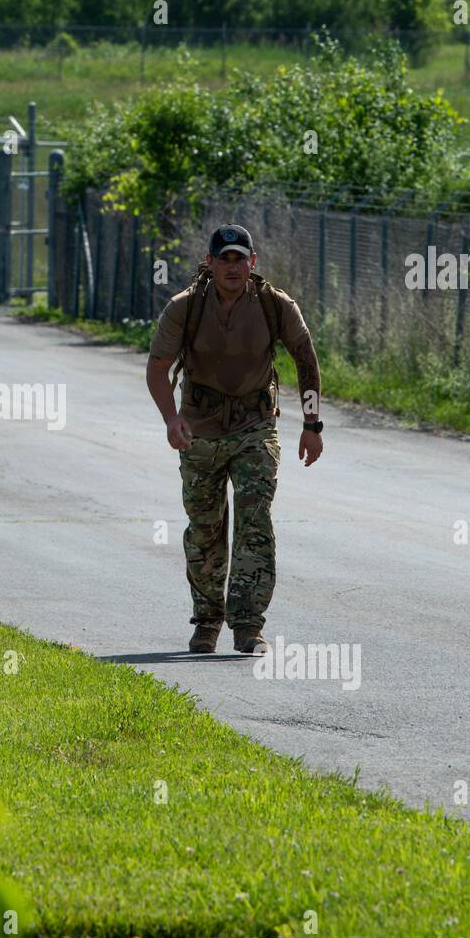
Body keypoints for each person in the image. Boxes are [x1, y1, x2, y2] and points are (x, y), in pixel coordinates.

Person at [145, 224, 324, 655]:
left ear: (252, 262)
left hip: (254, 427)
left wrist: (312, 425)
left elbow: (306, 359)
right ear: (209, 263)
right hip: (199, 431)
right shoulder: (184, 308)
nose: (232, 266)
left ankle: (248, 625)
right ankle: (207, 621)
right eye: (223, 258)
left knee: (254, 519)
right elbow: (157, 366)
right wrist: (171, 420)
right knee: (205, 528)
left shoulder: (273, 305)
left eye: (239, 258)